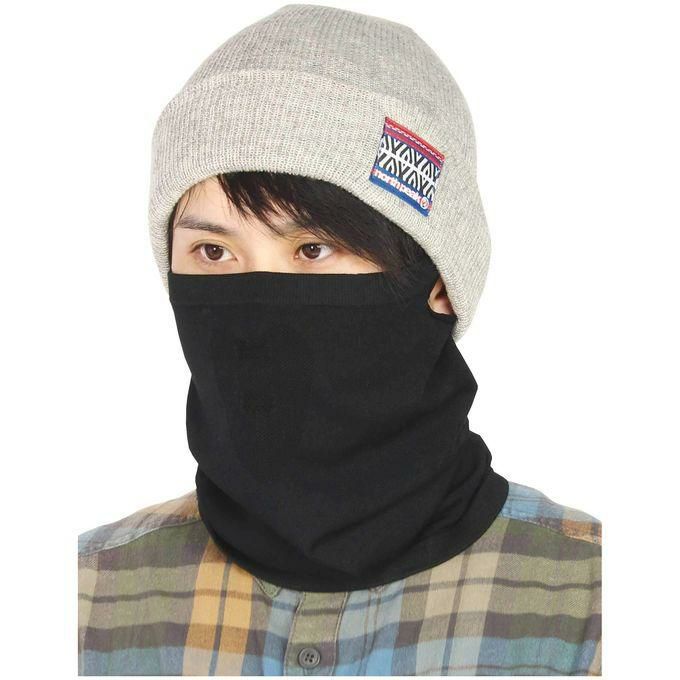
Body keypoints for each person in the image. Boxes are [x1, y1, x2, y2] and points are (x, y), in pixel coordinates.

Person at [77, 4, 601, 676]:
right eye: (213, 251)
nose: (257, 294)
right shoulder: (89, 598)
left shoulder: (590, 607)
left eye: (313, 248)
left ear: (440, 280)